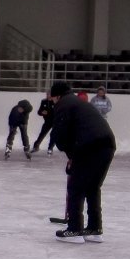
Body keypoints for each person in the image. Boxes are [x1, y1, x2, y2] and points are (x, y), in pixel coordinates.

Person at [48, 81, 116, 243]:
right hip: (107, 144)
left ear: (57, 95)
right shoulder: (78, 102)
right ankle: (94, 228)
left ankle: (74, 229)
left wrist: (72, 156)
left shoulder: (63, 105)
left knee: (76, 187)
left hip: (89, 146)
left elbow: (60, 135)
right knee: (92, 187)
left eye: (52, 99)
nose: (52, 102)